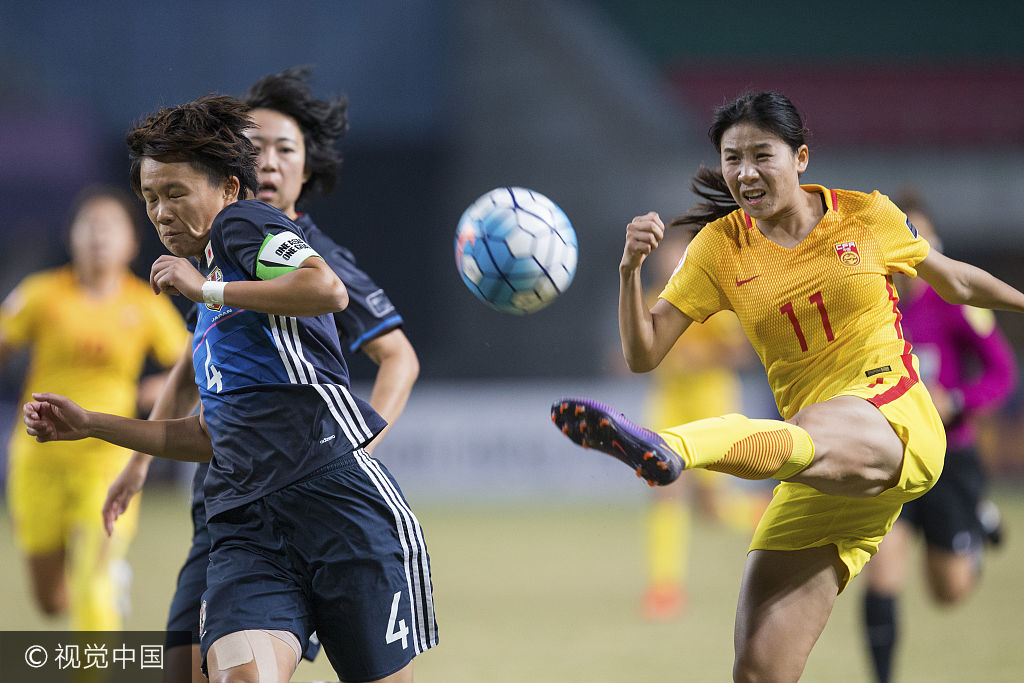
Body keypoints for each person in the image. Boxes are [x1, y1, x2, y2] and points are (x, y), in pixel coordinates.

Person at [550, 91, 1024, 681]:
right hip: (817, 465)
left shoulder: (866, 215)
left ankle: (671, 448)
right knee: (758, 669)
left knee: (801, 435)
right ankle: (672, 450)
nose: (744, 172)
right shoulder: (719, 248)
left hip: (895, 418)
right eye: (731, 158)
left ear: (801, 157)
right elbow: (643, 352)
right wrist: (629, 273)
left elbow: (955, 281)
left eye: (761, 155)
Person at [24, 94, 436, 683]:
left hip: (338, 509)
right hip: (247, 524)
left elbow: (326, 289)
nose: (161, 213)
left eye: (175, 193)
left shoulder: (242, 226)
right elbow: (207, 435)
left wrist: (206, 292)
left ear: (228, 190)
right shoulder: (210, 286)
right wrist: (94, 425)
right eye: (150, 198)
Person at [0, 186, 188, 630]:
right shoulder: (42, 294)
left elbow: (190, 362)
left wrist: (158, 387)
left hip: (107, 458)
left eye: (110, 227)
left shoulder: (144, 304)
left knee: (92, 580)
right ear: (72, 236)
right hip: (37, 459)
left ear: (131, 243)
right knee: (51, 602)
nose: (99, 236)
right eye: (89, 225)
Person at [861, 191, 1018, 683]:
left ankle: (976, 521)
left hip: (950, 461)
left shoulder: (953, 302)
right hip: (894, 455)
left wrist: (959, 400)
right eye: (905, 235)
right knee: (882, 572)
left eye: (922, 236)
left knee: (948, 592)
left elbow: (1001, 372)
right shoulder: (868, 304)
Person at [638, 226, 766, 620]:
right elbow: (645, 349)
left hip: (709, 402)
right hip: (668, 404)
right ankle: (664, 589)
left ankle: (758, 513)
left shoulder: (709, 298)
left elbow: (738, 350)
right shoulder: (651, 298)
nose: (670, 259)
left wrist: (701, 358)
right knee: (664, 491)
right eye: (667, 253)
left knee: (711, 509)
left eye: (679, 253)